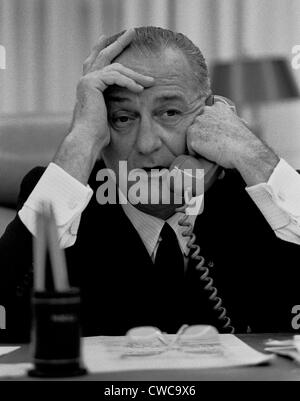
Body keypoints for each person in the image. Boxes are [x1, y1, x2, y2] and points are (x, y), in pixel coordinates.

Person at [1, 26, 300, 342]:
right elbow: (6, 311)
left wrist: (252, 153)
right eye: (122, 118)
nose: (146, 144)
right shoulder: (61, 195)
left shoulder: (263, 197)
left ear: (213, 116)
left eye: (170, 112)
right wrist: (82, 139)